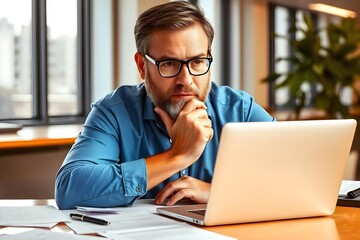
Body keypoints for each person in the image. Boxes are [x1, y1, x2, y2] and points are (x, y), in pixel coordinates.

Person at [55, 0, 275, 210]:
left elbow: (298, 176)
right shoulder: (114, 111)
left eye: (198, 61)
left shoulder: (239, 110)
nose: (186, 80)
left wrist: (218, 193)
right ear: (142, 66)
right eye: (169, 64)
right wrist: (178, 155)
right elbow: (70, 189)